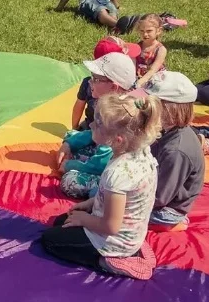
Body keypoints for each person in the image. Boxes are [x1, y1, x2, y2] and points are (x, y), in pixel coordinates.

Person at [41, 93, 162, 280]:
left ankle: (111, 261)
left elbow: (111, 225)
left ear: (117, 139)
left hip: (114, 241)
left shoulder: (118, 173)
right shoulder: (141, 152)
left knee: (50, 240)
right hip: (126, 228)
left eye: (98, 124)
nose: (90, 125)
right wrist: (90, 203)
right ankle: (127, 249)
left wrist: (84, 220)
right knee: (61, 222)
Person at [57, 52, 137, 199]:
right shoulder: (111, 103)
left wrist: (70, 166)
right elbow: (93, 132)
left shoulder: (116, 116)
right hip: (108, 157)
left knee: (70, 181)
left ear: (113, 87)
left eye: (95, 79)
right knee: (73, 138)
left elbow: (100, 164)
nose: (89, 82)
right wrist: (70, 143)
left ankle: (100, 198)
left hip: (120, 175)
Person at [142, 71, 204, 232]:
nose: (145, 107)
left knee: (112, 210)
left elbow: (160, 197)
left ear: (168, 109)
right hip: (154, 186)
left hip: (167, 210)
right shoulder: (167, 128)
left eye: (150, 103)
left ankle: (169, 224)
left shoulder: (176, 150)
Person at [71, 36, 140, 131]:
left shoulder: (127, 108)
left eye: (95, 79)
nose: (90, 81)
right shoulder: (134, 90)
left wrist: (74, 128)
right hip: (93, 128)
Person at [135, 14, 167, 88]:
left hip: (155, 79)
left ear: (158, 31)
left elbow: (153, 70)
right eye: (142, 31)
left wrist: (140, 82)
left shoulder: (160, 49)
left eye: (149, 31)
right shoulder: (137, 47)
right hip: (137, 78)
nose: (145, 34)